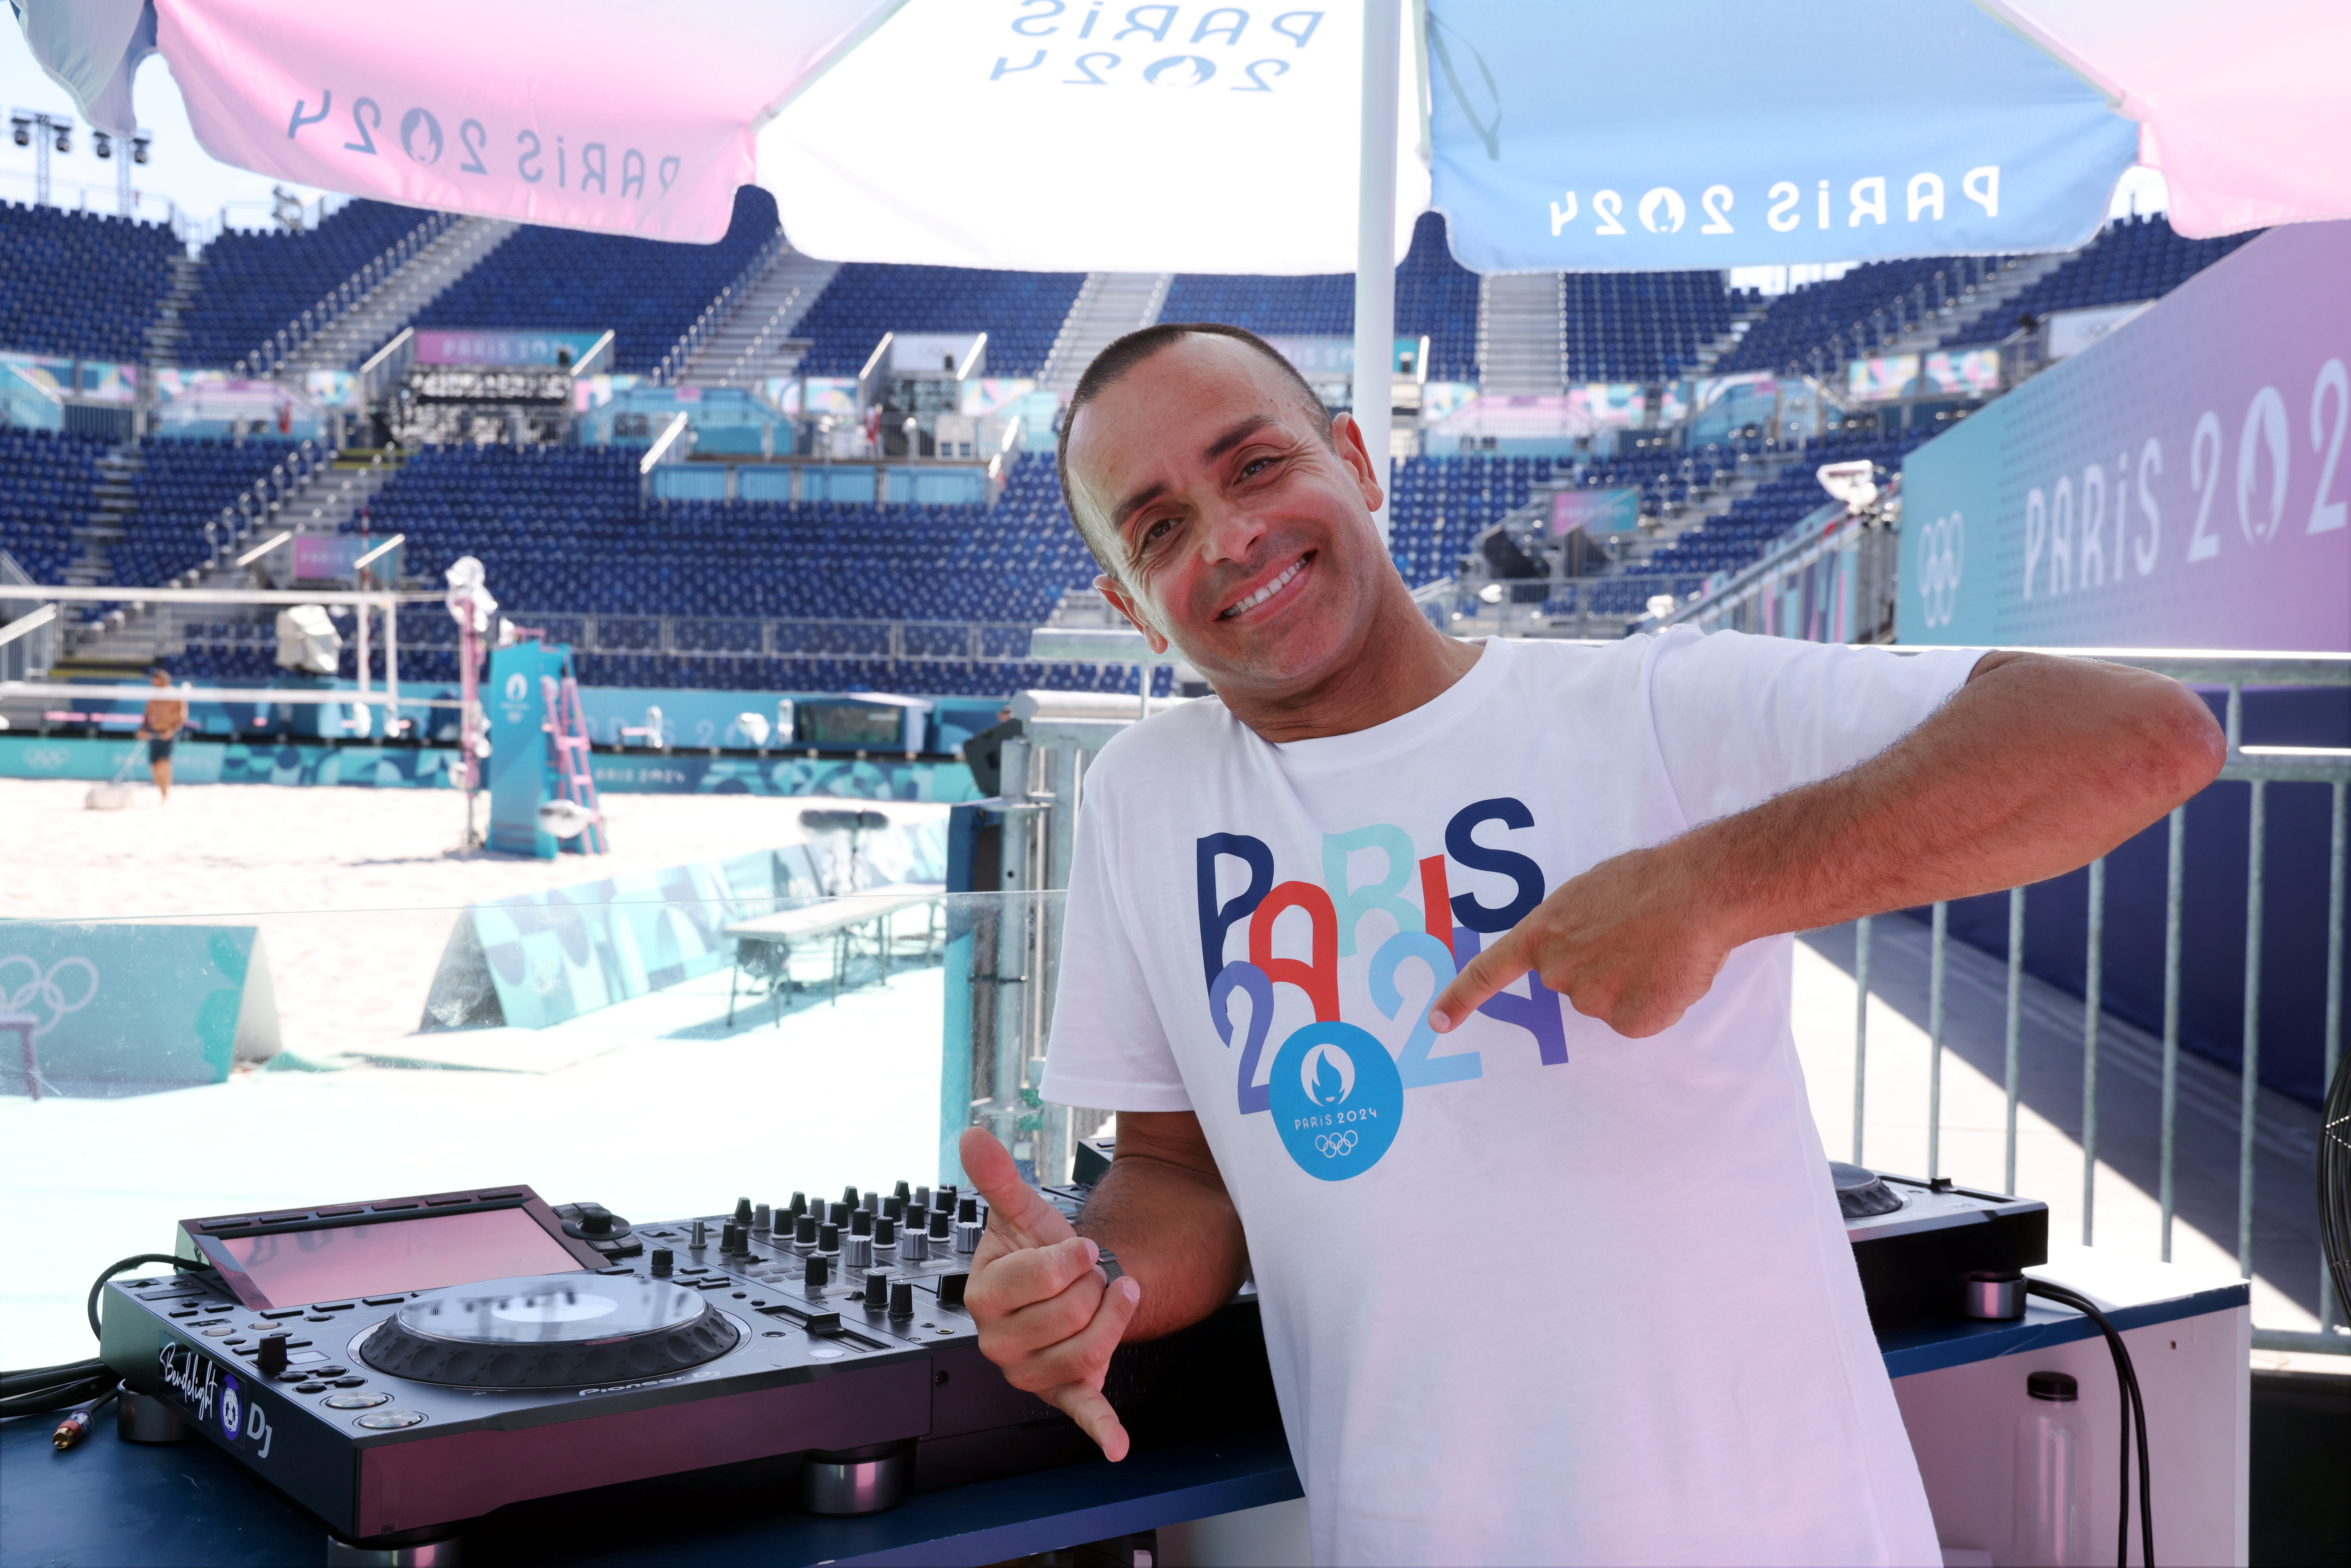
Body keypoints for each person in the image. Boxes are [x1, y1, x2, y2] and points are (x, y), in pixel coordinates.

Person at [954, 323, 2224, 1567]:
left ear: (1355, 458)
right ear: (1131, 604)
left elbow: (2139, 737)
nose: (1230, 537)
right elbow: (1182, 1172)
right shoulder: (1146, 794)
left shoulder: (1647, 710)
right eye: (1161, 526)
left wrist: (1713, 884)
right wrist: (1092, 1276)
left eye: (1257, 464)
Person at [135, 666, 187, 803]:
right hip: (155, 732)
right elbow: (147, 716)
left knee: (164, 763)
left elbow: (182, 717)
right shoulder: (154, 695)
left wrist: (172, 731)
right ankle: (162, 793)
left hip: (169, 732)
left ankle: (165, 794)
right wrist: (143, 730)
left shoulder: (176, 695)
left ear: (164, 680)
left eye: (156, 681)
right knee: (154, 765)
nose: (154, 683)